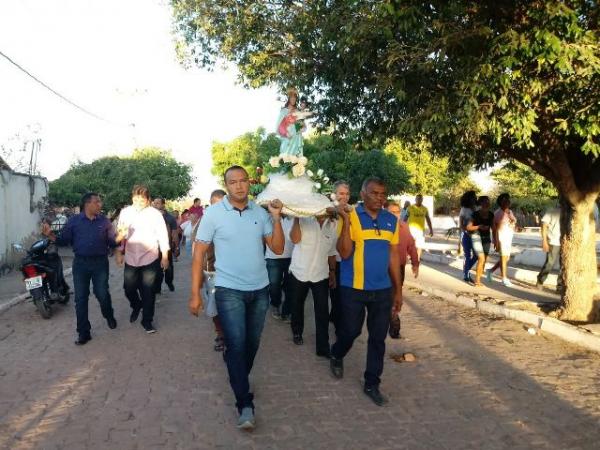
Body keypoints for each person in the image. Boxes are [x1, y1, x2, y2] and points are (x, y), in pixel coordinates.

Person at [188, 165, 284, 430]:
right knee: (237, 344)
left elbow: (277, 247)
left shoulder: (260, 213)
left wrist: (276, 219)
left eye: (243, 181)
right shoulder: (214, 214)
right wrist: (194, 293)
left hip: (260, 288)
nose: (239, 186)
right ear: (226, 185)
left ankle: (237, 371)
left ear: (249, 184)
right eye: (233, 182)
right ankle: (244, 403)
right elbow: (198, 255)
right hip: (228, 289)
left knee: (251, 344)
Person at [330, 177, 402, 406]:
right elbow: (344, 253)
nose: (379, 198)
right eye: (374, 193)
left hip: (382, 290)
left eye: (383, 194)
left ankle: (372, 383)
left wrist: (398, 290)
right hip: (353, 287)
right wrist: (346, 223)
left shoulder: (391, 219)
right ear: (362, 194)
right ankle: (337, 353)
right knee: (351, 331)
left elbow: (393, 256)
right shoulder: (350, 215)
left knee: (378, 339)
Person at [42, 192, 118, 345]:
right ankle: (84, 332)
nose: (100, 205)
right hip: (80, 264)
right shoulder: (73, 221)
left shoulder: (104, 221)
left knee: (102, 293)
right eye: (97, 202)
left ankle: (108, 314)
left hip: (100, 263)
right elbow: (64, 241)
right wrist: (50, 235)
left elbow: (112, 242)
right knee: (80, 298)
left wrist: (120, 239)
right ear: (87, 204)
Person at [115, 185, 170, 334]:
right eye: (136, 198)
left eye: (142, 199)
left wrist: (164, 256)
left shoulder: (155, 214)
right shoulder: (126, 212)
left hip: (150, 257)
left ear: (148, 199)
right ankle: (136, 305)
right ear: (132, 198)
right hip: (131, 257)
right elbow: (120, 235)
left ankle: (147, 321)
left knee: (148, 291)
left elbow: (162, 235)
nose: (139, 201)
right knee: (129, 288)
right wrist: (119, 252)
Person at [288, 214, 337, 356]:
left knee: (322, 310)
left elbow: (332, 252)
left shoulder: (332, 226)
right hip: (299, 271)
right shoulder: (303, 219)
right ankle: (297, 331)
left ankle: (323, 346)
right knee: (296, 305)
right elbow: (295, 239)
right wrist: (296, 218)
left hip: (321, 274)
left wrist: (332, 272)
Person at [202, 189, 227, 352]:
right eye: (215, 205)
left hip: (234, 272)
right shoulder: (206, 223)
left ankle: (231, 335)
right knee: (215, 306)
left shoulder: (236, 220)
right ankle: (220, 333)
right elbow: (198, 254)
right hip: (212, 272)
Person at [329, 180, 351, 334]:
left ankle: (338, 322)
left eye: (347, 193)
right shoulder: (328, 211)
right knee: (335, 296)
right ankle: (337, 325)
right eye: (341, 193)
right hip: (330, 260)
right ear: (334, 194)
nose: (345, 196)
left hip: (345, 260)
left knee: (342, 297)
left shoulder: (352, 211)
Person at [265, 216, 294, 321]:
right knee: (274, 285)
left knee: (290, 286)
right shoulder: (268, 218)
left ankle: (287, 311)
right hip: (272, 257)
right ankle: (275, 304)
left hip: (291, 257)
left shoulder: (294, 217)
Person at [487, 193, 517, 287]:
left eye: (508, 200)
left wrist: (513, 223)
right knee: (503, 258)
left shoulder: (509, 212)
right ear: (501, 202)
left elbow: (513, 222)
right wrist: (496, 241)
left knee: (506, 258)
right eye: (505, 200)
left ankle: (490, 271)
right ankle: (504, 278)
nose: (508, 202)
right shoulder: (498, 213)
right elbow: (495, 229)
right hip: (501, 239)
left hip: (508, 238)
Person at [467, 196, 495, 286]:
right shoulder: (475, 214)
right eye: (486, 202)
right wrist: (479, 226)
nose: (488, 203)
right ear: (481, 204)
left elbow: (494, 228)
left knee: (484, 260)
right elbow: (468, 227)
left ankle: (478, 278)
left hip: (486, 238)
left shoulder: (491, 215)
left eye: (488, 202)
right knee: (481, 258)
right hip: (476, 236)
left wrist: (496, 241)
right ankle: (477, 281)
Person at [152, 198, 179, 293]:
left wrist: (176, 246)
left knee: (169, 269)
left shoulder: (170, 218)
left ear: (163, 205)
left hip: (166, 248)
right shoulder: (149, 217)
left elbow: (175, 233)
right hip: (153, 249)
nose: (155, 205)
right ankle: (157, 288)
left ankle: (169, 282)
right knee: (157, 271)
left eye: (158, 203)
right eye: (154, 203)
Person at [536, 204, 563, 292]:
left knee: (563, 266)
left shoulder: (569, 211)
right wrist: (544, 241)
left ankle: (560, 286)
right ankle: (540, 280)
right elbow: (544, 225)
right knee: (549, 263)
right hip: (553, 242)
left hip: (565, 242)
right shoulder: (551, 210)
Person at [276, 87, 305, 156]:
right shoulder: (284, 111)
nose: (293, 99)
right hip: (288, 137)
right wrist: (286, 133)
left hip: (296, 138)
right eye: (292, 97)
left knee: (296, 159)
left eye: (295, 98)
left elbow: (299, 126)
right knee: (287, 157)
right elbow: (279, 125)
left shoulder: (297, 111)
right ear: (289, 99)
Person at [406, 194, 434, 259]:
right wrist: (402, 227)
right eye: (417, 199)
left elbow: (428, 219)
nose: (419, 200)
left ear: (422, 200)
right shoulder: (410, 208)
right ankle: (410, 256)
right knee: (410, 245)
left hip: (421, 231)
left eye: (420, 199)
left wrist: (431, 229)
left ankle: (417, 260)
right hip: (411, 230)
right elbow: (405, 218)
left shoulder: (425, 209)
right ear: (415, 199)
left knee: (419, 245)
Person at [459, 191, 478, 283]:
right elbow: (461, 224)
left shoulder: (477, 208)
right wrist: (467, 232)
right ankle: (466, 275)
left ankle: (466, 270)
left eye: (475, 197)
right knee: (467, 255)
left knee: (477, 255)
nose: (475, 198)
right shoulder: (464, 209)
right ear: (468, 198)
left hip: (475, 235)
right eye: (473, 197)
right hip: (466, 235)